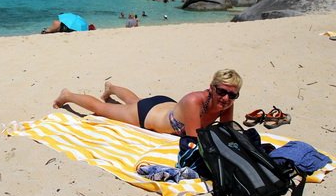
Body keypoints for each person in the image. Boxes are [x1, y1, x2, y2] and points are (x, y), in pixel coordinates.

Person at [53, 69, 243, 174]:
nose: (226, 98)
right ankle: (67, 95)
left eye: (232, 94)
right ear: (211, 88)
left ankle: (111, 87)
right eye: (222, 91)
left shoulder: (225, 104)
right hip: (146, 116)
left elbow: (225, 131)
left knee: (136, 102)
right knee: (102, 109)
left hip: (164, 106)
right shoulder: (195, 101)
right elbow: (194, 140)